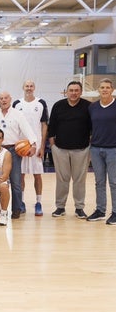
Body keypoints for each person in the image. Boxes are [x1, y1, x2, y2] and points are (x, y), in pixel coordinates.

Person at [0, 92, 37, 219]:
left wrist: (33, 144)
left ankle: (16, 209)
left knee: (16, 182)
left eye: (6, 98)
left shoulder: (18, 114)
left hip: (13, 151)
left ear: (10, 99)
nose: (4, 100)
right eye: (1, 98)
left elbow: (27, 129)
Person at [47, 81, 91, 219]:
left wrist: (90, 142)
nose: (73, 93)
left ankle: (79, 208)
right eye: (71, 90)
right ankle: (60, 207)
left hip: (82, 149)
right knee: (62, 179)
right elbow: (51, 126)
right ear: (66, 92)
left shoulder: (88, 106)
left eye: (76, 90)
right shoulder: (58, 105)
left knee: (79, 180)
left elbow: (93, 127)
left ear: (81, 92)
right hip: (60, 149)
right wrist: (52, 145)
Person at [13, 80, 49, 216]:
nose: (29, 88)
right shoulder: (17, 103)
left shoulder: (41, 103)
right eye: (26, 86)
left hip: (36, 145)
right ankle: (21, 202)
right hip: (21, 145)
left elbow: (44, 125)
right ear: (23, 88)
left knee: (37, 175)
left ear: (34, 88)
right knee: (20, 175)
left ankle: (38, 202)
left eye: (31, 86)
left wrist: (42, 146)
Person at [87, 78, 116, 225]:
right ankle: (100, 210)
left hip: (113, 150)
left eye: (107, 87)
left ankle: (115, 212)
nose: (104, 90)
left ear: (112, 90)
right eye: (102, 87)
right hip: (96, 149)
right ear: (98, 90)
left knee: (114, 182)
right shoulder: (93, 107)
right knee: (99, 182)